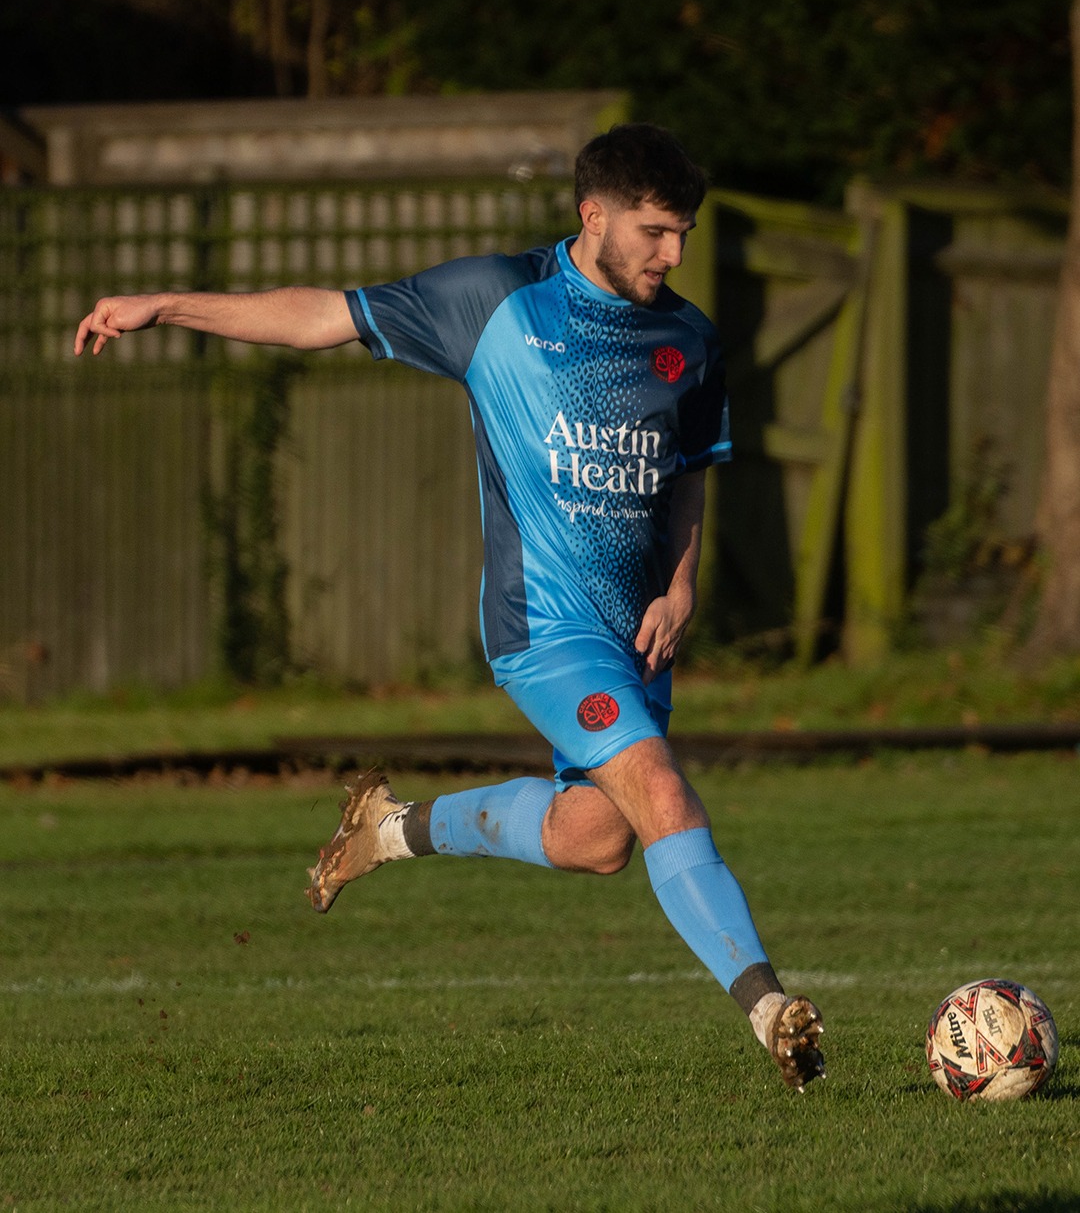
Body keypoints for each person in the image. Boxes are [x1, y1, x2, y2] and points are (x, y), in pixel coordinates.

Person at [74, 122, 824, 1091]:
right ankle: (771, 1009)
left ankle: (389, 829)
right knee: (664, 791)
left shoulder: (689, 339)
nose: (673, 254)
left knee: (597, 839)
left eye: (683, 232)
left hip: (642, 638)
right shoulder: (495, 301)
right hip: (543, 629)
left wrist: (681, 586)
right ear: (592, 215)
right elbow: (320, 315)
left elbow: (687, 478)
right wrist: (167, 305)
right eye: (654, 232)